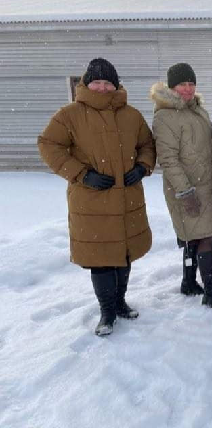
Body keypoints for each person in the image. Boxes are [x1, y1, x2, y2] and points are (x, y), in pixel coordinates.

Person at [37, 58, 156, 335]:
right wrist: (81, 174)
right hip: (92, 201)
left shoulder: (131, 115)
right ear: (87, 84)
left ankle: (120, 302)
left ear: (116, 85)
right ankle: (107, 312)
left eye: (107, 83)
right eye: (97, 82)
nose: (102, 88)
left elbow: (147, 145)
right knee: (101, 257)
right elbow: (48, 145)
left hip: (127, 199)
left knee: (124, 253)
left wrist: (142, 167)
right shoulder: (70, 114)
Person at [150, 63, 212, 311]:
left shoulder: (198, 111)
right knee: (205, 236)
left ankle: (188, 281)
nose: (187, 89)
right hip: (186, 188)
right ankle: (211, 292)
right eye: (182, 84)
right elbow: (168, 159)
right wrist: (185, 191)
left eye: (191, 84)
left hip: (206, 184)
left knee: (194, 236)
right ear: (171, 87)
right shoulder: (165, 116)